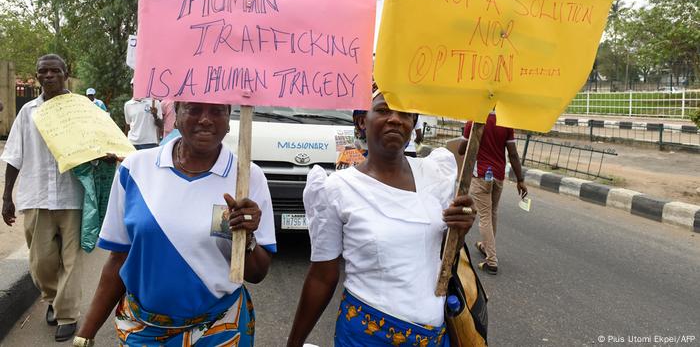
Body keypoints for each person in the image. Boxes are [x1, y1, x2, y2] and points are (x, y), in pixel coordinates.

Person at [73, 101, 276, 346]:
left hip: (220, 330)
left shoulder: (247, 177)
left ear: (229, 120)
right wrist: (85, 334)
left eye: (216, 111)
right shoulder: (136, 169)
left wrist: (246, 238)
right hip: (143, 332)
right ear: (175, 116)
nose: (205, 119)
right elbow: (119, 259)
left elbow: (257, 274)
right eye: (194, 109)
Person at [287, 89, 476, 346]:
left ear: (413, 124)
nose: (396, 119)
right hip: (365, 335)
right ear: (362, 120)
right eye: (384, 110)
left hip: (432, 337)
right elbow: (323, 276)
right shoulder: (337, 189)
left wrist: (460, 230)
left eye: (405, 113)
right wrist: (294, 342)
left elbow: (438, 256)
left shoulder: (434, 175)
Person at [1, 54, 85, 342]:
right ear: (36, 77)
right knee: (41, 262)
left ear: (65, 73)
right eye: (42, 71)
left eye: (54, 70)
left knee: (72, 260)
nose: (48, 75)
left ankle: (67, 315)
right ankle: (52, 297)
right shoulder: (28, 113)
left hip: (73, 196)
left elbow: (98, 146)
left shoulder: (81, 109)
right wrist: (6, 197)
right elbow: (14, 155)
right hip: (36, 196)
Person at [458, 111, 527, 275]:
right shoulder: (505, 121)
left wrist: (467, 134)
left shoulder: (474, 120)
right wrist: (520, 180)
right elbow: (513, 154)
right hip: (498, 176)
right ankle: (485, 246)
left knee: (484, 217)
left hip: (481, 176)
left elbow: (461, 149)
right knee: (492, 213)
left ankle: (491, 261)